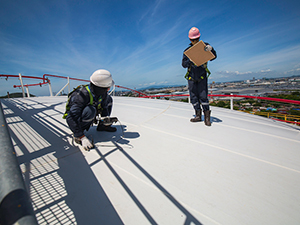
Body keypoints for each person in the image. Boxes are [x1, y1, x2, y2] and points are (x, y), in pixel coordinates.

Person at [63, 69, 116, 150]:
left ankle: (102, 126)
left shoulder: (102, 92)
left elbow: (104, 106)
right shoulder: (81, 96)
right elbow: (71, 118)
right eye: (107, 88)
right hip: (80, 117)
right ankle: (78, 135)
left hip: (91, 109)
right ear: (100, 87)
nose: (108, 89)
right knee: (90, 110)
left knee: (109, 99)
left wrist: (105, 118)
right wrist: (81, 136)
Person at [182, 27, 217, 126]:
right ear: (190, 40)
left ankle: (207, 117)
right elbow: (183, 64)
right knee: (193, 97)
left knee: (203, 97)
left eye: (196, 39)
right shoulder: (187, 51)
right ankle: (198, 115)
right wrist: (190, 59)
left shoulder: (205, 46)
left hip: (201, 76)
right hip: (191, 77)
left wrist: (211, 50)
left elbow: (213, 57)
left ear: (199, 38)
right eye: (193, 40)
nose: (195, 41)